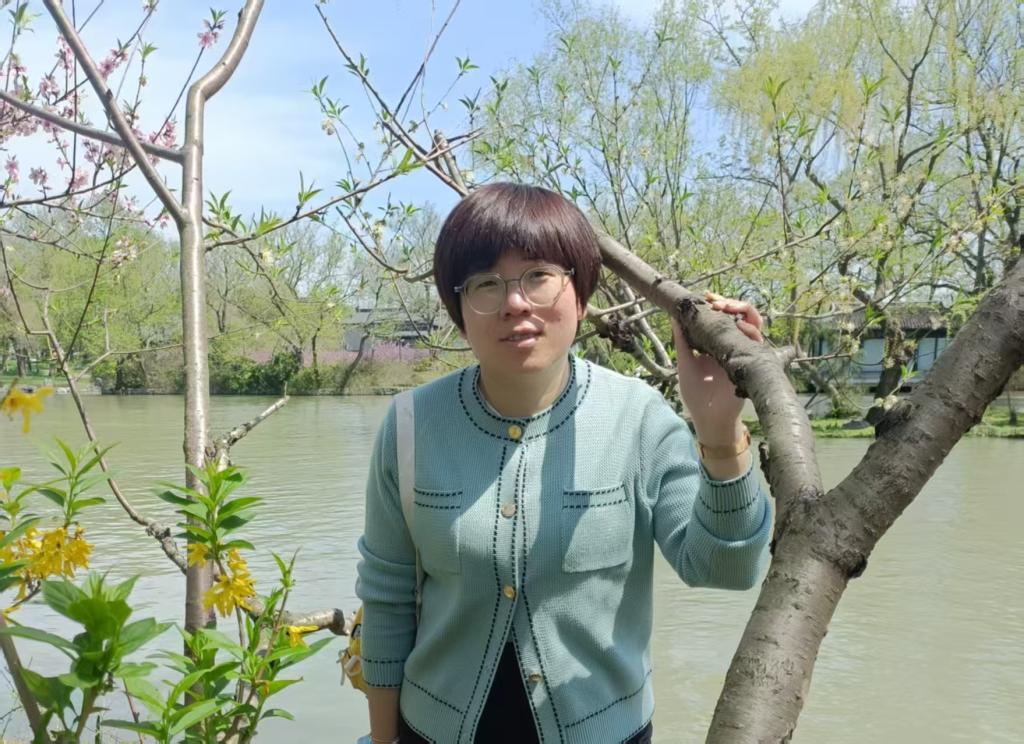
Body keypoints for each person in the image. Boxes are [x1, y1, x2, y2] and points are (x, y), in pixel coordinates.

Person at [355, 183, 771, 744]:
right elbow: (386, 599)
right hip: (432, 730)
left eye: (538, 276)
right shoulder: (409, 425)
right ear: (460, 311)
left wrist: (719, 432)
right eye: (485, 283)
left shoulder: (639, 418)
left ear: (580, 295)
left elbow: (725, 569)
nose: (514, 303)